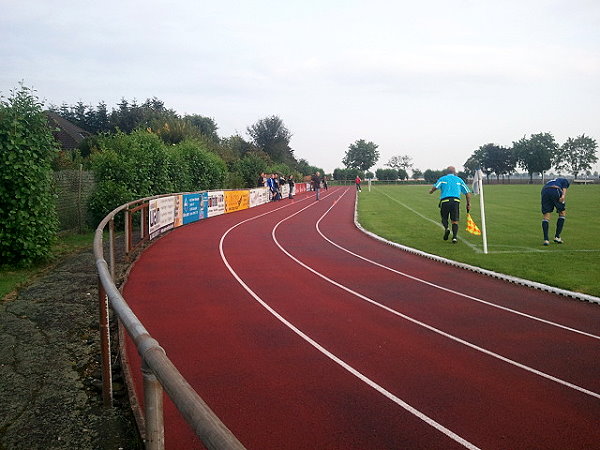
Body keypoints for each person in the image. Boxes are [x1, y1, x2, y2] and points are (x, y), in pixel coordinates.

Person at [429, 166, 472, 243]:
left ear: (446, 172)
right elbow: (467, 192)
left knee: (444, 218)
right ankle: (454, 237)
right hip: (455, 201)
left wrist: (431, 191)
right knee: (455, 220)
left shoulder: (443, 179)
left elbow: (436, 187)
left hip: (445, 201)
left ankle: (447, 229)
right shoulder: (459, 180)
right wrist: (468, 203)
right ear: (454, 172)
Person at [540, 177, 570, 245]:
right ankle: (557, 237)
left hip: (544, 191)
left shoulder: (552, 181)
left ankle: (546, 240)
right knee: (562, 213)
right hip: (555, 189)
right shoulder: (565, 180)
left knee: (546, 216)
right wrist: (563, 196)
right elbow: (564, 189)